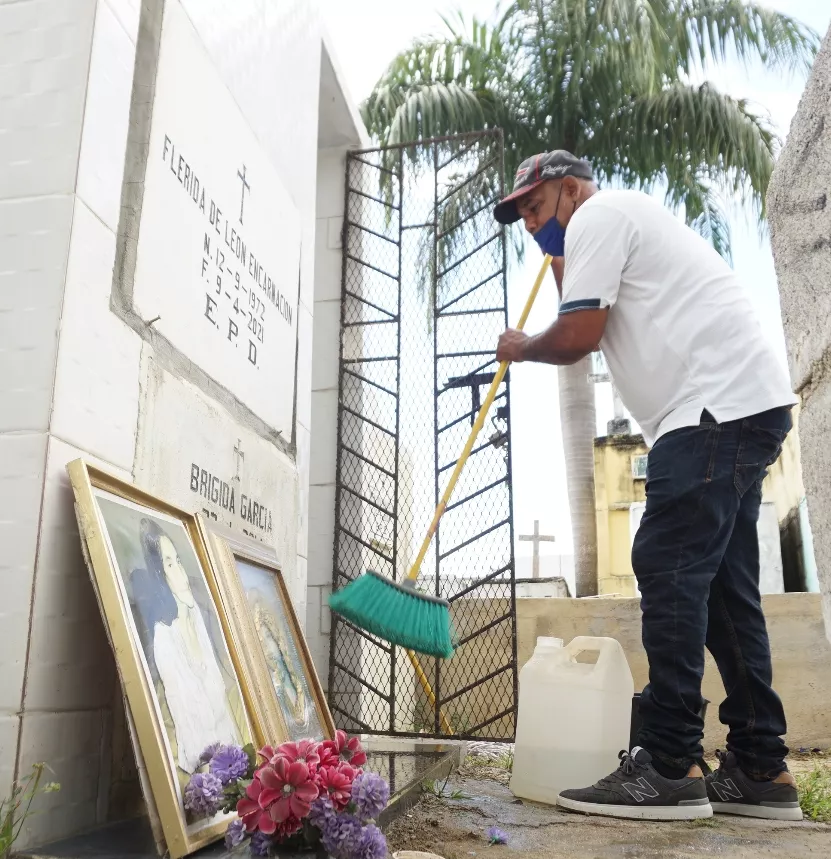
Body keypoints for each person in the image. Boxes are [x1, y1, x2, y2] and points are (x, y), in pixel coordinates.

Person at [494, 151, 801, 821]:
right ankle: (759, 766)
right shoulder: (609, 223)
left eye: (533, 209)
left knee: (666, 564)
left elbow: (577, 333)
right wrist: (557, 260)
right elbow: (578, 305)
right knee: (722, 591)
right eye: (520, 218)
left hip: (708, 410)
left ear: (566, 187)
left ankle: (667, 762)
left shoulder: (598, 214)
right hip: (741, 406)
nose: (528, 224)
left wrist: (521, 346)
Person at [136, 518, 244, 775]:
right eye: (169, 564)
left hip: (231, 754)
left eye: (179, 561)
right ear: (160, 574)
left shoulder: (196, 616)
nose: (180, 573)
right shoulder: (165, 638)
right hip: (203, 765)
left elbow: (221, 701)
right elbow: (187, 725)